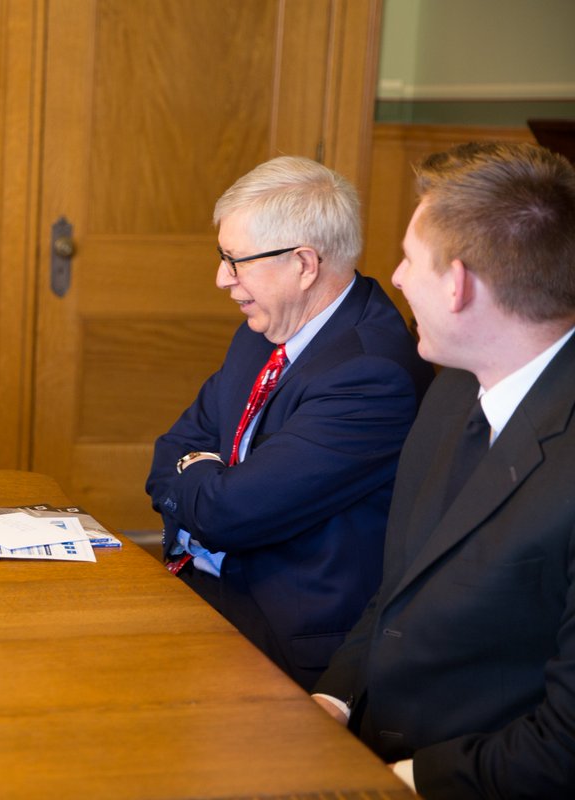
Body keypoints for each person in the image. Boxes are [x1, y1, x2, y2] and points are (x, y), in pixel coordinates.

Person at [313, 141, 575, 797]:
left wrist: (405, 780)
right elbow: (400, 587)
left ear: (457, 285)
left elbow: (564, 743)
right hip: (367, 746)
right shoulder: (452, 389)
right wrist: (333, 700)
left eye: (408, 259)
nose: (396, 279)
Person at [145, 156, 434, 691]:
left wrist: (201, 477)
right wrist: (202, 474)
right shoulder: (263, 329)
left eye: (235, 261)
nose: (221, 278)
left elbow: (228, 512)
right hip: (199, 585)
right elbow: (173, 448)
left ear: (304, 264)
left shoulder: (372, 374)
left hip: (279, 637)